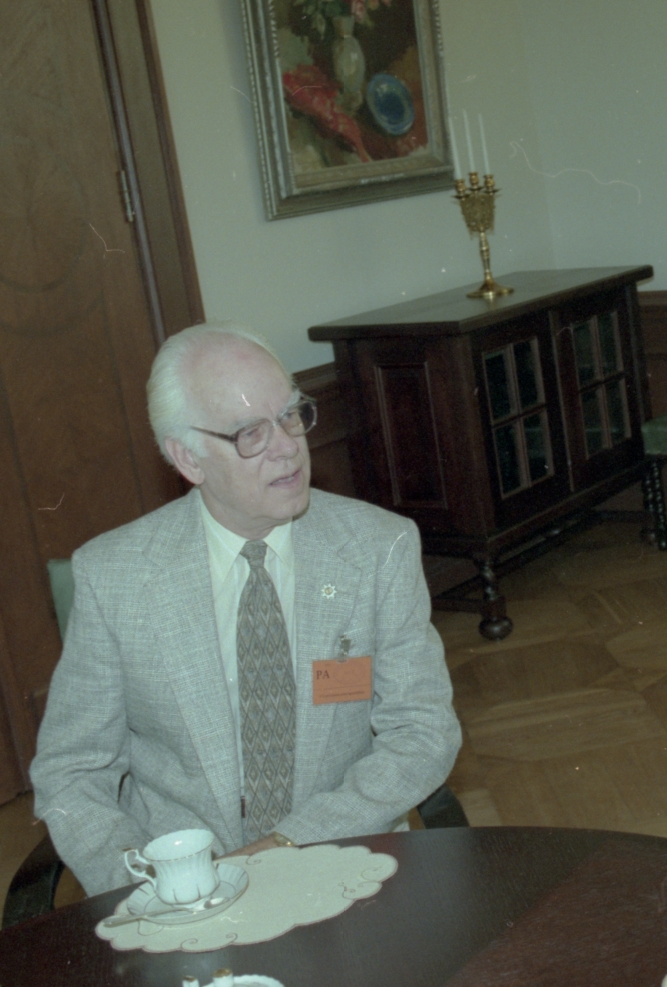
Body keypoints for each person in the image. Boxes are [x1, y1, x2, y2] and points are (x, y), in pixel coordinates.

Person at [31, 323, 461, 895]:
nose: (287, 446)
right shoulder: (116, 577)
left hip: (342, 856)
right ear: (189, 459)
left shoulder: (378, 548)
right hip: (182, 891)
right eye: (250, 433)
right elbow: (72, 770)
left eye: (290, 415)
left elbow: (422, 733)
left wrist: (287, 846)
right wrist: (146, 886)